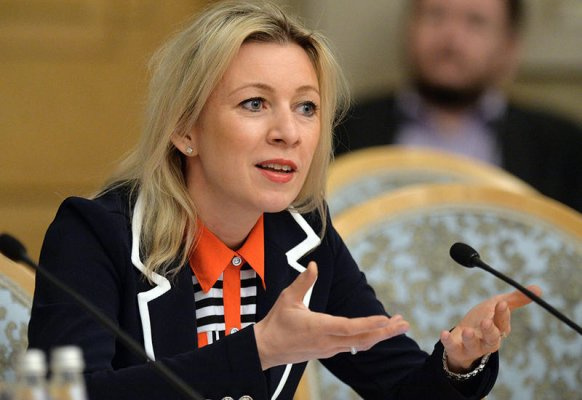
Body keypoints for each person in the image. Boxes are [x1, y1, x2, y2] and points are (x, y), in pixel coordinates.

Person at [28, 1, 539, 399]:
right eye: (255, 103)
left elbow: (402, 388)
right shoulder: (95, 234)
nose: (288, 132)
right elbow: (61, 396)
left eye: (306, 107)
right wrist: (257, 351)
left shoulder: (305, 237)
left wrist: (458, 361)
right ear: (184, 129)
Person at [335, 0, 582, 213]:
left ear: (510, 46)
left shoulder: (564, 148)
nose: (451, 38)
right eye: (436, 15)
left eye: (475, 22)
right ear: (409, 27)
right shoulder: (339, 128)